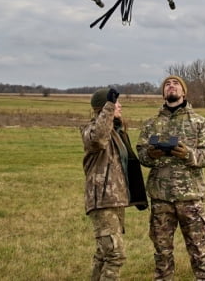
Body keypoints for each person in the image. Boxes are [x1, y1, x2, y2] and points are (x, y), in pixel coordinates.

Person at [137, 76, 205, 281]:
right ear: (163, 93)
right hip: (161, 197)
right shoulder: (151, 124)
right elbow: (141, 155)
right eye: (167, 84)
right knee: (162, 250)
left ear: (184, 92)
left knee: (198, 247)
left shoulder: (199, 122)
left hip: (190, 197)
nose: (171, 86)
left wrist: (188, 154)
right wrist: (150, 155)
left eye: (176, 84)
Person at [81, 87, 148, 281]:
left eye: (117, 103)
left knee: (104, 253)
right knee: (115, 254)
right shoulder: (90, 130)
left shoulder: (118, 133)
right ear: (104, 108)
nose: (120, 106)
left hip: (116, 200)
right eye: (114, 103)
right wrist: (109, 107)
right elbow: (99, 139)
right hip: (102, 201)